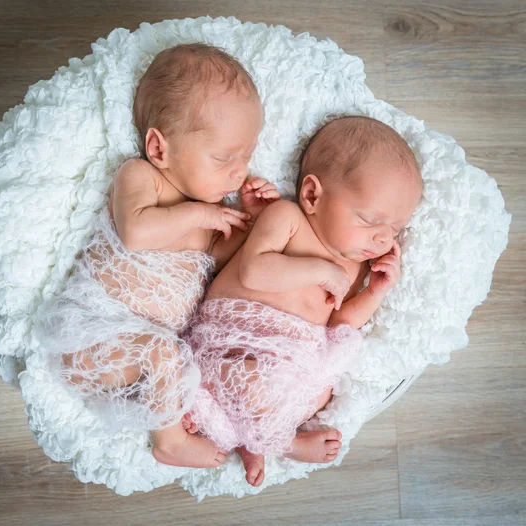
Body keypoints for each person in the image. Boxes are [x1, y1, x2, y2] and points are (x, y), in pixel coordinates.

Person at [37, 43, 279, 469]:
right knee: (162, 353)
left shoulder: (208, 217)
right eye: (224, 157)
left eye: (247, 155)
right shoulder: (141, 177)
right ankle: (168, 444)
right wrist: (201, 212)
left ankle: (244, 436)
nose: (239, 171)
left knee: (208, 370)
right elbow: (135, 232)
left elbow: (217, 261)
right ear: (159, 148)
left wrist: (251, 224)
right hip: (93, 335)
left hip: (152, 360)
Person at [184, 115, 423, 486]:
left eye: (392, 229)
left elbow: (339, 323)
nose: (381, 239)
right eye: (369, 219)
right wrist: (319, 271)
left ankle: (256, 437)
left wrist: (376, 291)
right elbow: (254, 272)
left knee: (318, 388)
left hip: (290, 359)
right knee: (231, 383)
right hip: (235, 341)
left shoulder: (356, 266)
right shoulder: (287, 217)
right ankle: (283, 443)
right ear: (313, 195)